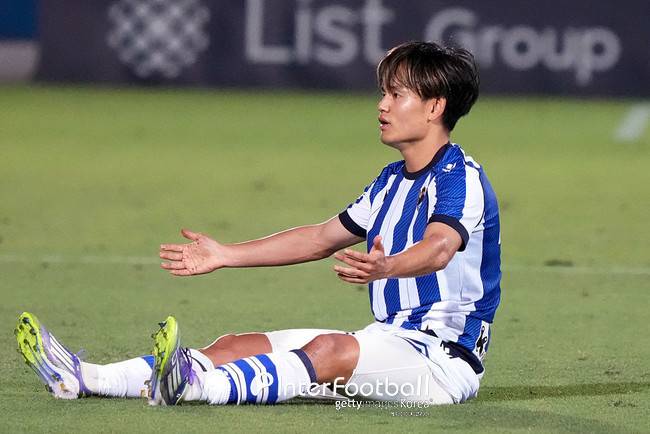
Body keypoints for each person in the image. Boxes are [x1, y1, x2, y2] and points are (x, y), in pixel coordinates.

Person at [16, 41, 501, 406]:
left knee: (328, 349)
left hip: (441, 364)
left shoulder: (460, 177)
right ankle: (86, 377)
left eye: (396, 94)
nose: (382, 105)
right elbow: (320, 238)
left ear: (435, 106)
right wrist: (226, 254)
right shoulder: (391, 180)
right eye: (383, 93)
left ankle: (193, 388)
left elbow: (440, 247)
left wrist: (388, 266)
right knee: (235, 346)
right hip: (385, 340)